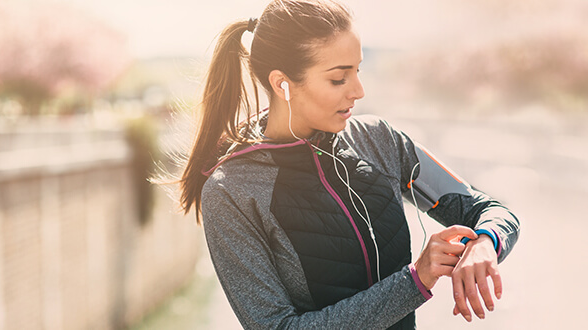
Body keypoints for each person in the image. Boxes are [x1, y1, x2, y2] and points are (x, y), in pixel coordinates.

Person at [175, 0, 520, 329]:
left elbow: (491, 210)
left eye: (357, 71)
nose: (358, 90)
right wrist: (416, 280)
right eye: (339, 78)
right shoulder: (232, 191)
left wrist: (485, 241)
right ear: (282, 84)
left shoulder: (379, 139)